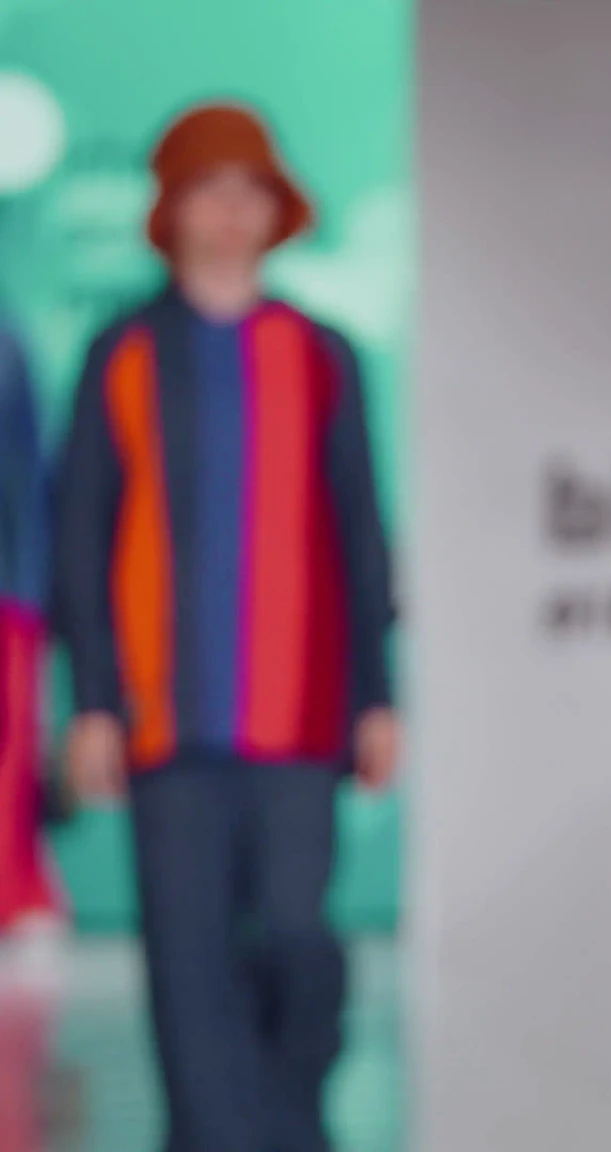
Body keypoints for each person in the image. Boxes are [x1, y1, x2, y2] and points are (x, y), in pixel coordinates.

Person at [51, 102, 399, 1152]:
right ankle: (208, 1136)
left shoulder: (323, 355)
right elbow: (81, 536)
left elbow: (359, 532)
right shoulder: (121, 352)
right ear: (172, 210)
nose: (232, 213)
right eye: (211, 190)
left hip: (299, 713)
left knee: (299, 937)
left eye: (251, 191)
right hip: (167, 718)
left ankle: (290, 1129)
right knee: (187, 953)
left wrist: (377, 697)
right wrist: (95, 704)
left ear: (276, 210)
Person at [0, 320, 62, 957]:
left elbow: (23, 474)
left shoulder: (5, 341)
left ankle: (17, 889)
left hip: (8, 593)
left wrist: (32, 594)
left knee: (11, 744)